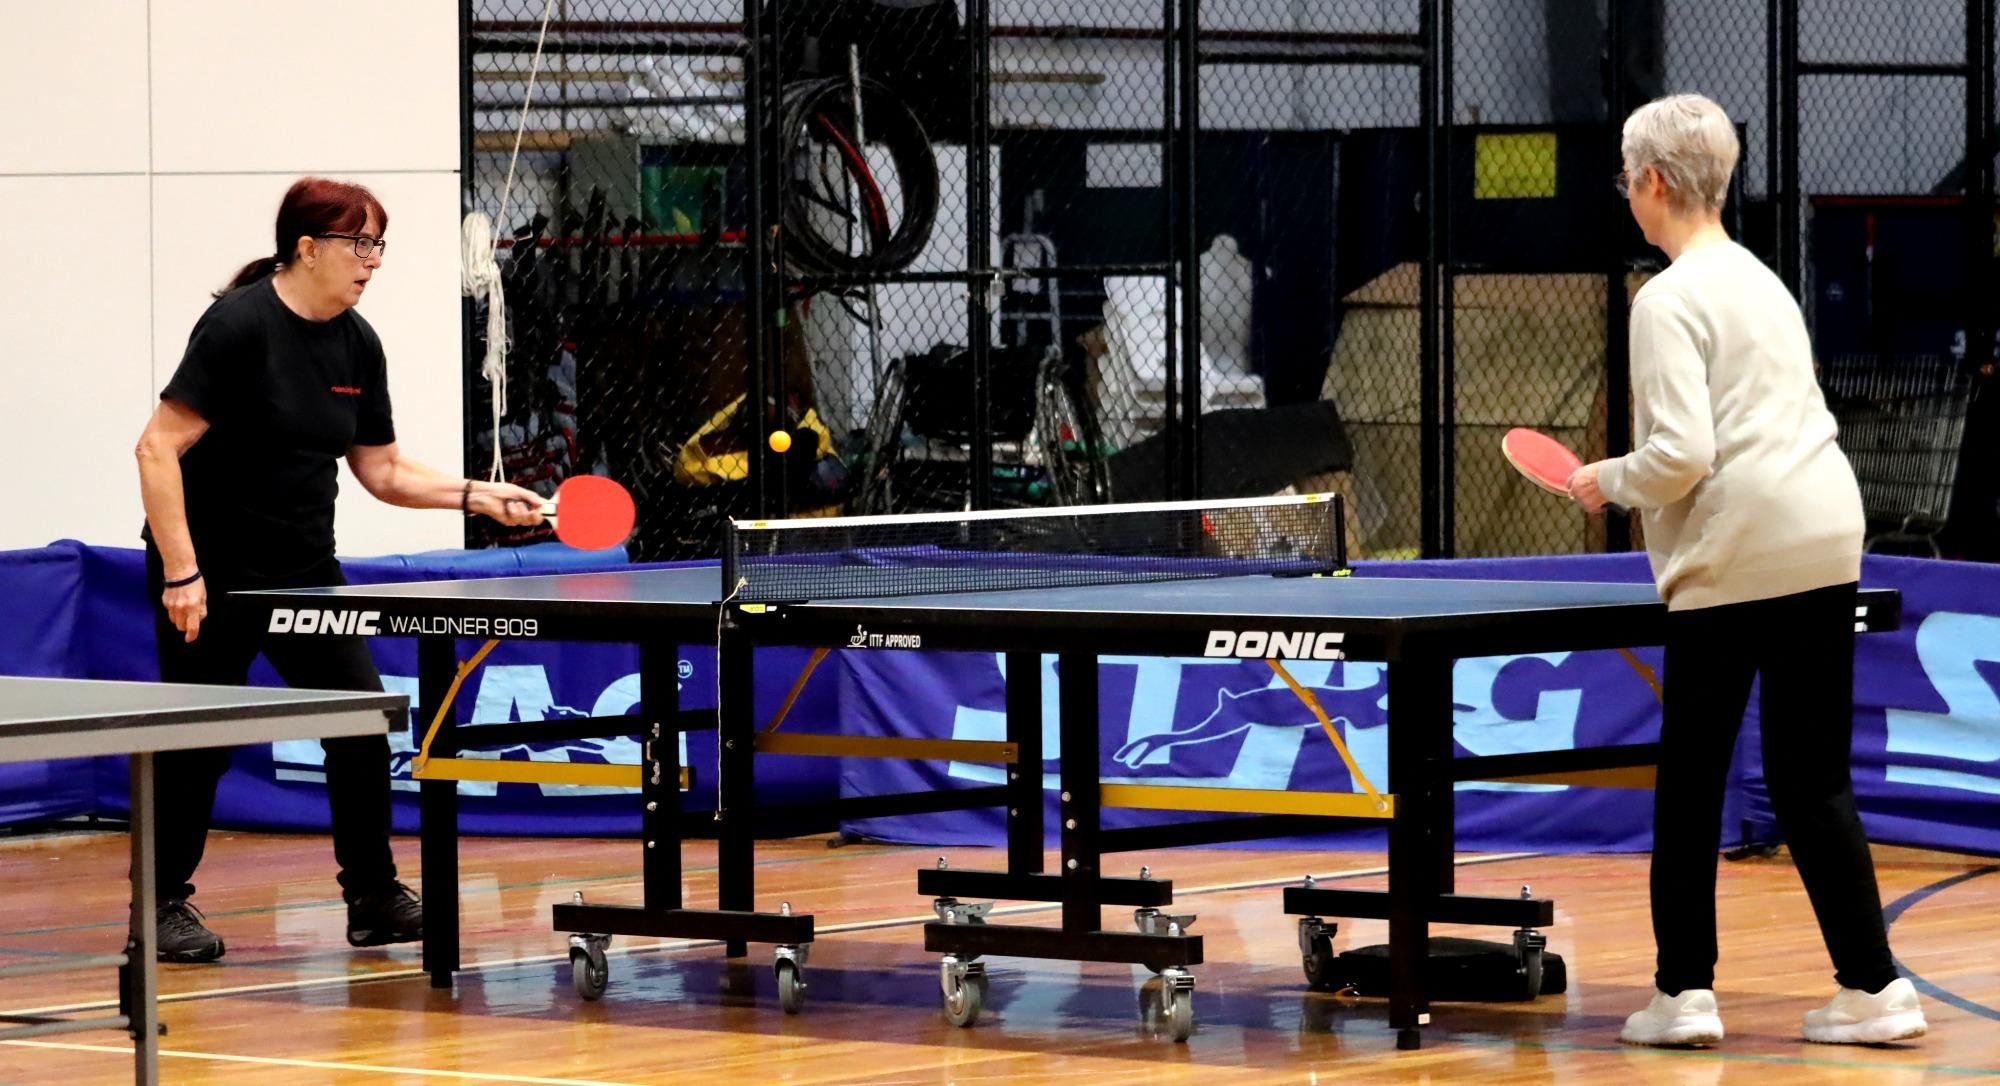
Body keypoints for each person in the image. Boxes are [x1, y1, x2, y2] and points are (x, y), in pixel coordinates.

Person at [1568, 95, 1926, 1046]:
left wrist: (1604, 480)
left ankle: (1683, 995)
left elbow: (1681, 455)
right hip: (1824, 532)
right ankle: (1877, 989)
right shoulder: (1764, 281)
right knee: (1814, 781)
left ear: (1650, 183)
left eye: (1624, 177)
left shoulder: (1667, 297)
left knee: (1690, 778)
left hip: (1739, 551)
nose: (1626, 194)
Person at [133, 177, 545, 962]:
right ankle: (157, 907)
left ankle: (372, 897)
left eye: (379, 244)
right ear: (307, 248)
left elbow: (382, 470)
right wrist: (182, 573)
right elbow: (157, 449)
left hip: (306, 571)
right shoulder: (238, 327)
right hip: (214, 574)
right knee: (195, 743)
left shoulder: (357, 342)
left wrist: (475, 495)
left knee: (361, 723)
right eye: (359, 244)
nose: (373, 262)